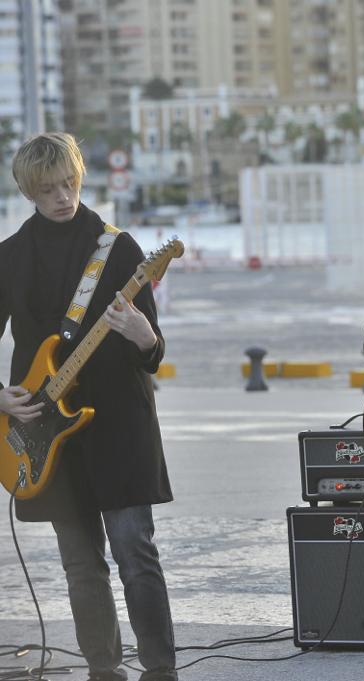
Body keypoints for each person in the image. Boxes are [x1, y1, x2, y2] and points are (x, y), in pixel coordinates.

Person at [0, 133, 177, 681]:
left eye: (70, 183)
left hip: (119, 424)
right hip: (44, 429)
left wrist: (146, 335)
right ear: (30, 191)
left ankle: (161, 668)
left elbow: (152, 351)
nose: (63, 196)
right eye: (49, 189)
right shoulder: (10, 255)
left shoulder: (117, 249)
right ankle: (104, 668)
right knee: (80, 564)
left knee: (134, 553)